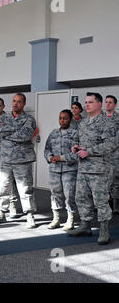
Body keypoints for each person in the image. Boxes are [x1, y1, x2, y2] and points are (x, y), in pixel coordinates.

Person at [67, 92, 116, 245]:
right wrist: (74, 147)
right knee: (81, 198)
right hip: (83, 168)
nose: (86, 104)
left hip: (98, 169)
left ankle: (104, 230)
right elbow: (77, 140)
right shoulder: (83, 123)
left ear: (99, 104)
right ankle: (85, 226)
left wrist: (89, 151)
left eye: (90, 102)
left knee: (100, 200)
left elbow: (110, 145)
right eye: (86, 102)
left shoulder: (107, 123)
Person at [0, 93, 37, 229]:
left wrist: (7, 135)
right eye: (14, 101)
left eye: (19, 102)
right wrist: (16, 128)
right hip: (4, 159)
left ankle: (29, 215)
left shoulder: (29, 119)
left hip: (22, 160)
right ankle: (1, 213)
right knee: (2, 187)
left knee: (25, 188)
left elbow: (26, 135)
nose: (15, 104)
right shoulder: (4, 117)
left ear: (24, 104)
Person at [44, 109, 78, 230]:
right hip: (54, 169)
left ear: (70, 120)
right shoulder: (53, 133)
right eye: (60, 118)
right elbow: (47, 149)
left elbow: (76, 154)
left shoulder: (75, 134)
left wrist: (61, 158)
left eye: (65, 118)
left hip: (70, 169)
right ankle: (56, 219)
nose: (62, 120)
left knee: (70, 195)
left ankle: (71, 219)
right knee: (55, 194)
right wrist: (49, 157)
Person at [104, 95, 119, 214]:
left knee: (115, 180)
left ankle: (116, 205)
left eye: (110, 102)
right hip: (100, 156)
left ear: (115, 105)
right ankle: (103, 203)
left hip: (114, 155)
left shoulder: (118, 119)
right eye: (106, 102)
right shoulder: (99, 118)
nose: (108, 104)